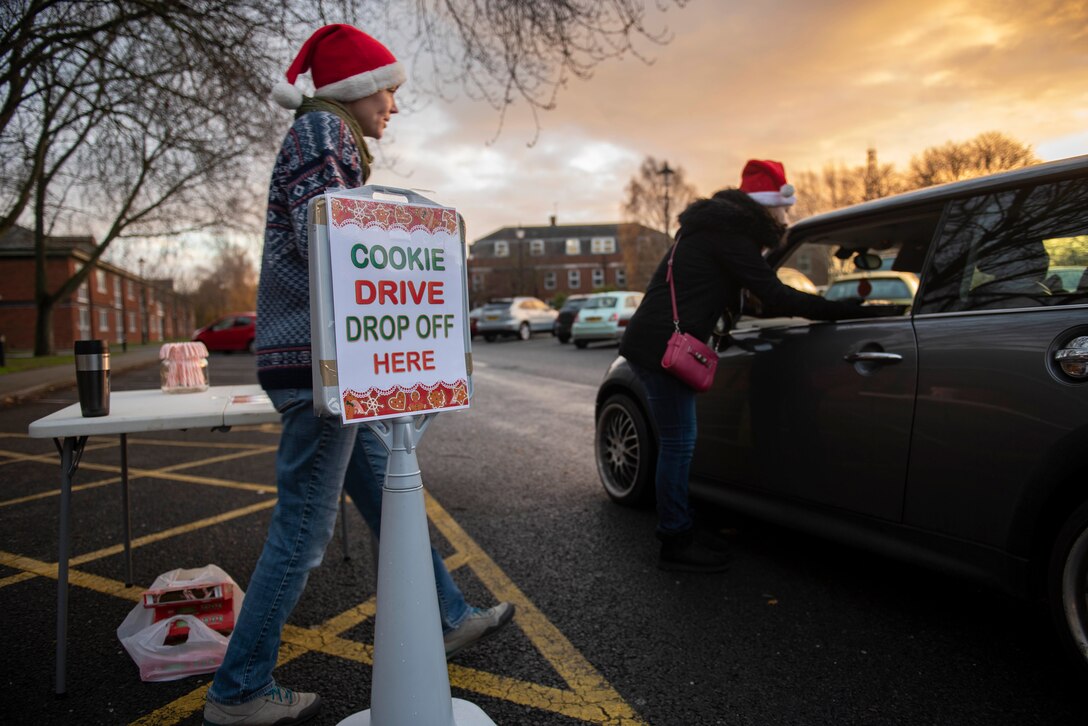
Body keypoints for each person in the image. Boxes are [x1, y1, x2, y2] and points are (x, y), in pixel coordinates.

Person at [203, 25, 514, 726]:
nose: (393, 107)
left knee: (384, 492)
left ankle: (447, 613)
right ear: (356, 88)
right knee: (304, 529)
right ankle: (238, 689)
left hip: (321, 363)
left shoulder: (325, 136)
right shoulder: (323, 135)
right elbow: (336, 244)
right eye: (390, 92)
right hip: (321, 368)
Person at [619, 159, 898, 574]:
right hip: (660, 349)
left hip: (653, 341)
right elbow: (773, 293)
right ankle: (675, 540)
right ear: (765, 207)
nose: (786, 217)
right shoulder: (731, 235)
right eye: (782, 210)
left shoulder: (713, 229)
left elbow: (742, 292)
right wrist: (839, 309)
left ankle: (683, 528)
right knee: (678, 445)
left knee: (679, 443)